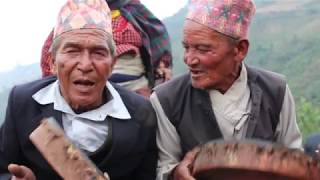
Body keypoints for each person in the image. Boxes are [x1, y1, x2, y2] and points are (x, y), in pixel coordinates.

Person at [0, 0, 157, 179]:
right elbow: (3, 169)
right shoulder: (23, 103)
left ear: (112, 64)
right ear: (52, 63)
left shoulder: (141, 113)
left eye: (98, 52)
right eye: (73, 51)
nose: (85, 65)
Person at [150, 0, 302, 179]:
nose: (189, 59)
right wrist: (175, 174)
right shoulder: (167, 100)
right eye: (186, 47)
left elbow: (293, 159)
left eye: (203, 49)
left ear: (240, 49)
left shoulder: (276, 90)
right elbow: (164, 166)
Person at [41, 0, 173, 97]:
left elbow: (157, 35)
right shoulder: (75, 12)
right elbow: (53, 49)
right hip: (89, 90)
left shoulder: (133, 8)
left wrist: (162, 66)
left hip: (136, 89)